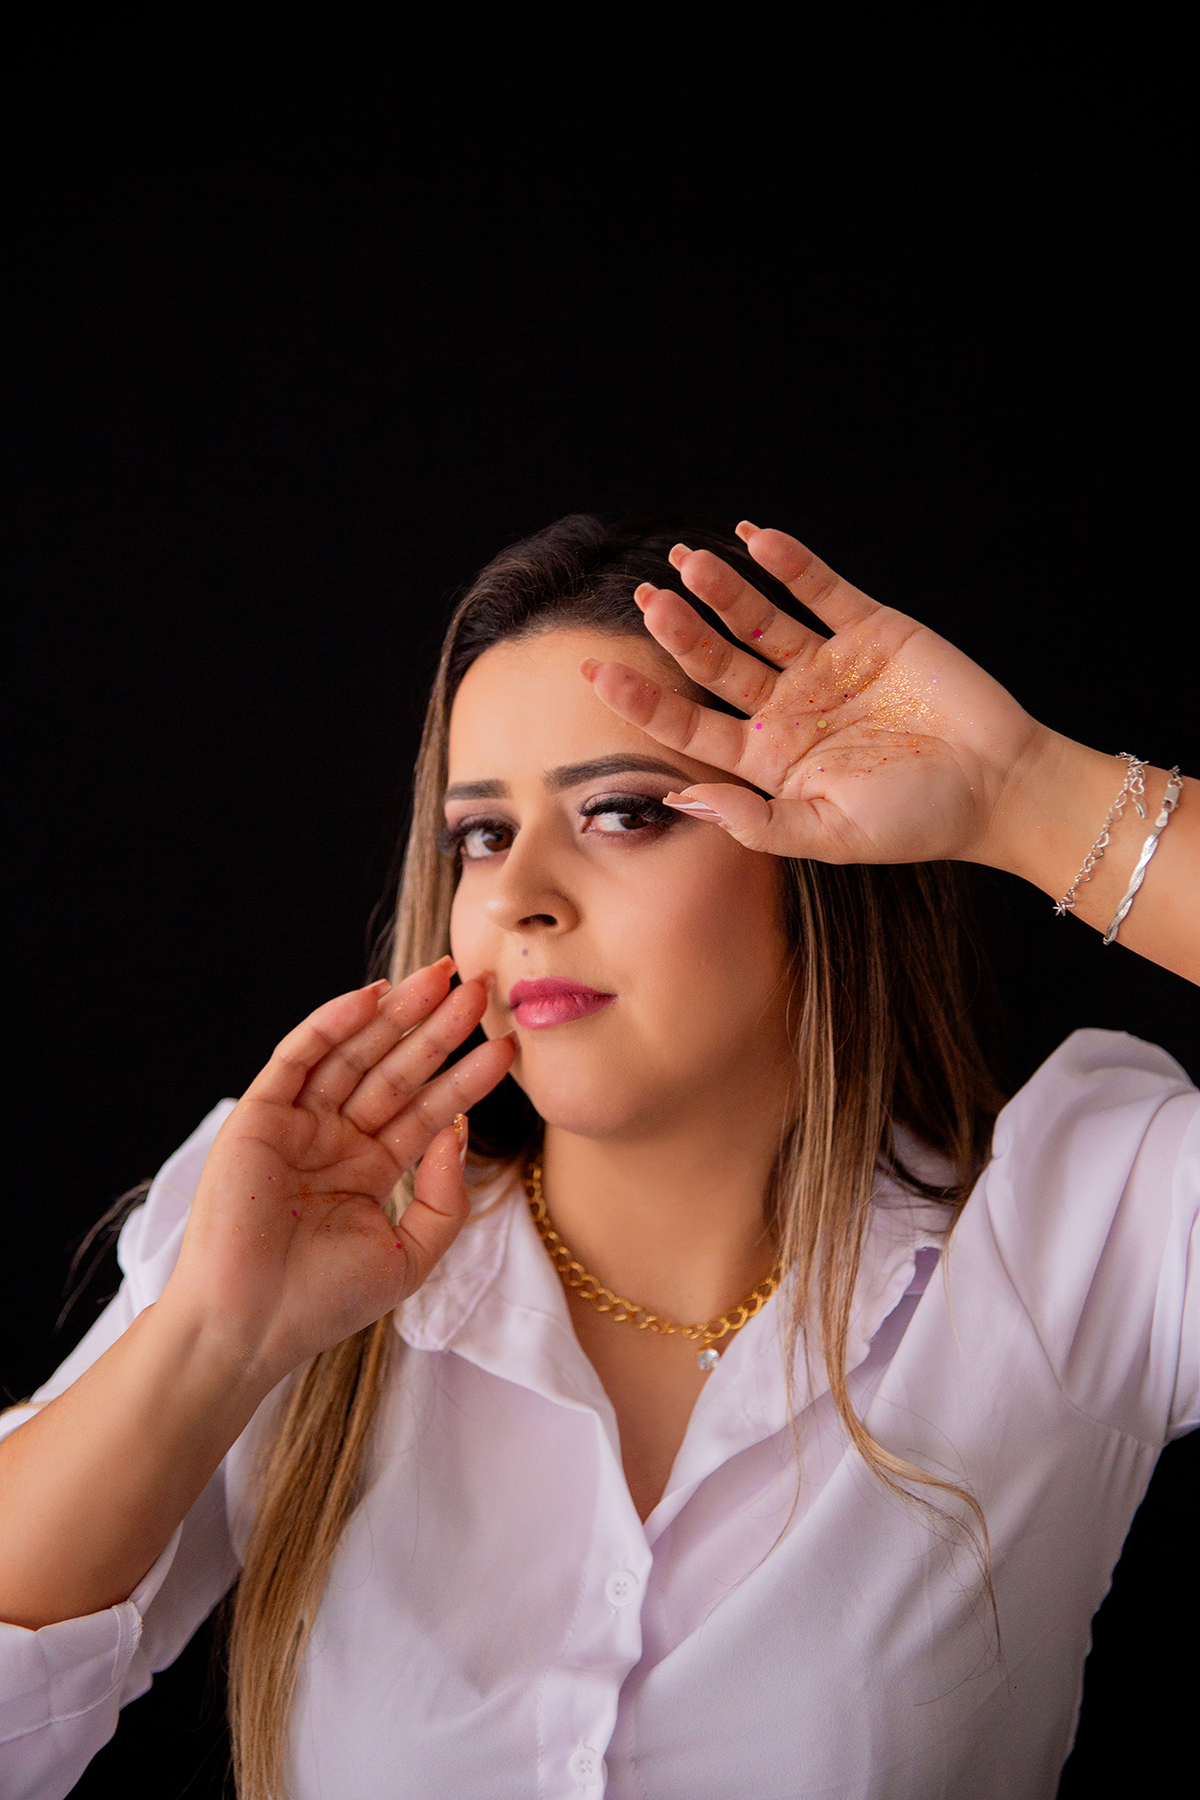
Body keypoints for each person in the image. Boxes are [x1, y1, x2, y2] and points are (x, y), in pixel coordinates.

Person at [1, 517, 1196, 1800]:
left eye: (622, 813)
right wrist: (213, 1336)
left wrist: (1022, 791)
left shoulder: (1081, 1231)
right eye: (480, 835)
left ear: (821, 857)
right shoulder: (288, 1233)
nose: (522, 895)